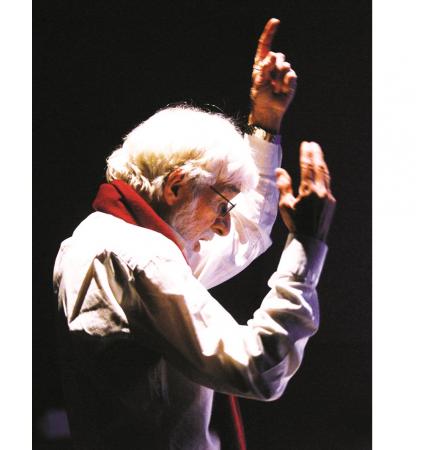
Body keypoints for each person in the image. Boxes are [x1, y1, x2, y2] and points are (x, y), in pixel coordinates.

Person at [52, 18, 336, 450]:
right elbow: (258, 368)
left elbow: (244, 234)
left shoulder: (101, 239)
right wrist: (308, 245)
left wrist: (265, 122)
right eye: (221, 205)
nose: (224, 225)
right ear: (177, 186)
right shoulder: (140, 258)